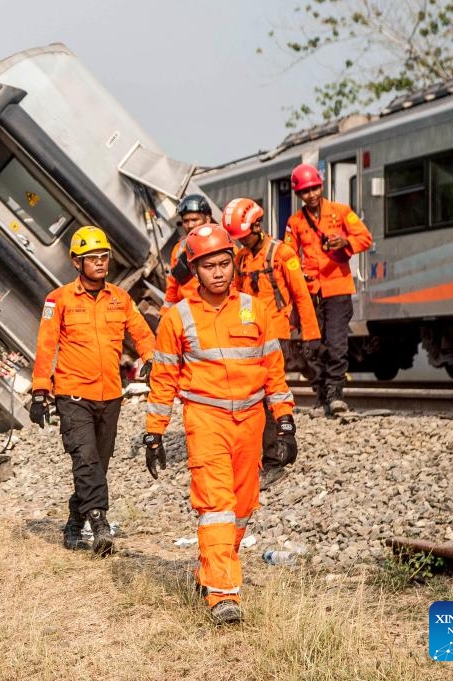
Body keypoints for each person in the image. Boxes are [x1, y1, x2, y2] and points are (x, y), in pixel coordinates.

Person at [142, 224, 296, 624]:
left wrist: (285, 421)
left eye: (224, 263)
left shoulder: (254, 309)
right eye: (209, 266)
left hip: (250, 422)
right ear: (195, 270)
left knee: (243, 507)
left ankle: (210, 569)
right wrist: (154, 432)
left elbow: (273, 372)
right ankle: (223, 593)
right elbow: (162, 380)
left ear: (233, 264)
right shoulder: (177, 318)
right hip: (205, 421)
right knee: (216, 507)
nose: (218, 273)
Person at [31, 225, 156, 556]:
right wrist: (40, 390)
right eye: (92, 258)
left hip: (110, 395)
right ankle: (99, 524)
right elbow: (46, 346)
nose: (100, 262)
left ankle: (74, 520)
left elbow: (142, 333)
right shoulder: (58, 300)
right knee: (85, 459)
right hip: (73, 396)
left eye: (104, 256)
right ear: (76, 262)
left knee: (96, 466)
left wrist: (152, 359)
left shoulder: (120, 298)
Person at [222, 198, 321, 489]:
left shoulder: (282, 254)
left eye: (243, 236)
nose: (240, 242)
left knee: (268, 397)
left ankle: (275, 456)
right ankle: (259, 455)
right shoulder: (241, 260)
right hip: (247, 336)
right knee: (251, 397)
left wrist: (311, 335)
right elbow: (235, 299)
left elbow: (301, 296)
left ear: (256, 225)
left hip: (276, 336)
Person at [285, 163, 373, 415]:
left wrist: (345, 241)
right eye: (305, 191)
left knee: (336, 343)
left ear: (321, 186)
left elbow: (365, 237)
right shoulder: (295, 222)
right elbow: (288, 254)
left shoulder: (341, 212)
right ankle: (321, 393)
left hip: (337, 288)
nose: (311, 194)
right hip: (310, 292)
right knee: (312, 346)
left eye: (314, 188)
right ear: (298, 194)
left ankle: (335, 394)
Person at [162, 194, 214, 313]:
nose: (190, 225)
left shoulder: (222, 244)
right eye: (186, 221)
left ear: (207, 219)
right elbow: (172, 288)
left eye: (195, 220)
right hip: (187, 314)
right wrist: (164, 315)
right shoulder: (179, 249)